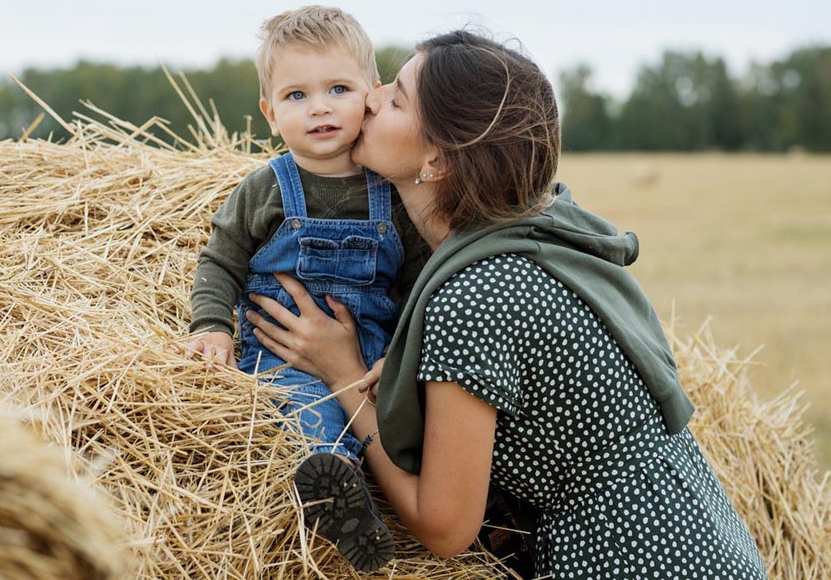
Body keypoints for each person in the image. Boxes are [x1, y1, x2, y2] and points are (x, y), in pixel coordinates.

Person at [243, 30, 769, 579]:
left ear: (438, 160)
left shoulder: (475, 295)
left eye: (396, 98)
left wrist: (343, 375)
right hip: (703, 541)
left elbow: (446, 527)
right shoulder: (535, 235)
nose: (370, 96)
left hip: (629, 561)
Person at [185, 5, 428, 572]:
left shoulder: (391, 191)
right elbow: (220, 260)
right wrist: (212, 326)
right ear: (270, 113)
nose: (318, 107)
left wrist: (399, 353)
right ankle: (338, 492)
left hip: (374, 356)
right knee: (307, 415)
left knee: (414, 425)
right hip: (285, 357)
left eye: (337, 88)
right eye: (296, 96)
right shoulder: (264, 187)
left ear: (370, 96)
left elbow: (420, 285)